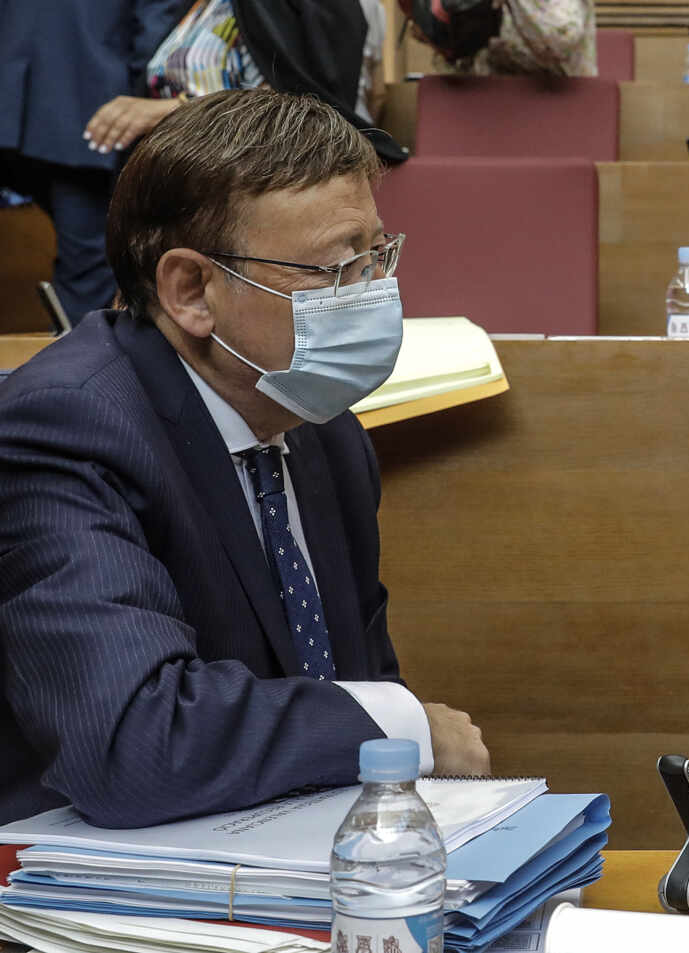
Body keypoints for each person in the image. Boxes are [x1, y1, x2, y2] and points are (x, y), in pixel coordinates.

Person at [0, 90, 487, 828]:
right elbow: (136, 739)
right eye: (332, 269)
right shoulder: (67, 426)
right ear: (192, 290)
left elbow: (351, 684)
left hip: (278, 854)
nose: (373, 294)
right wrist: (409, 724)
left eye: (376, 255)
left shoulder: (322, 428)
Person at [0, 0, 187, 320]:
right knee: (87, 268)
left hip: (18, 87)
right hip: (88, 103)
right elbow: (156, 24)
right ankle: (78, 366)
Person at [83, 0, 403, 163]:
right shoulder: (204, 6)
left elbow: (301, 101)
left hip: (257, 182)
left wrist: (166, 111)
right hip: (185, 177)